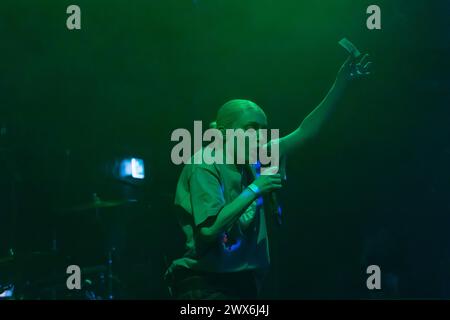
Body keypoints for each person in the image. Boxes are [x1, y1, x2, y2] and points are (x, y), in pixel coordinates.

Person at [165, 52, 372, 300]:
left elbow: (305, 132)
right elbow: (209, 231)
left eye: (262, 129)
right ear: (223, 133)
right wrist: (255, 189)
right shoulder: (205, 164)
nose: (259, 135)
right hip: (207, 284)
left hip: (243, 282)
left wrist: (341, 82)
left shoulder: (256, 157)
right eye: (250, 128)